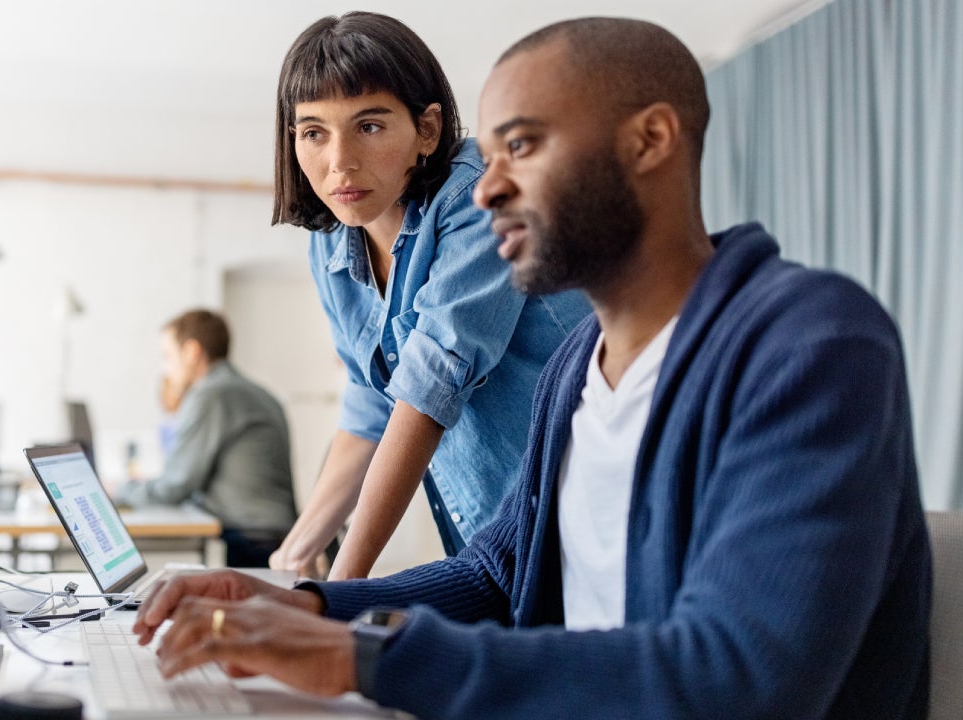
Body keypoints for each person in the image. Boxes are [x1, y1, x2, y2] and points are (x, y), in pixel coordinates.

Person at [132, 17, 931, 719]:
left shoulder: (810, 345)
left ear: (649, 141)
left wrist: (362, 657)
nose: (487, 190)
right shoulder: (577, 368)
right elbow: (493, 574)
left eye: (520, 145)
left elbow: (738, 679)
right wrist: (306, 604)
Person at [268, 12, 590, 579]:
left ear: (428, 130)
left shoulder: (480, 198)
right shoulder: (331, 241)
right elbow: (372, 406)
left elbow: (428, 387)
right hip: (493, 544)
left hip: (583, 521)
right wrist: (295, 555)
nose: (338, 161)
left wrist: (338, 590)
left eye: (369, 126)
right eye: (313, 132)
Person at [115, 309, 297, 568]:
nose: (165, 368)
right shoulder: (253, 391)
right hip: (272, 535)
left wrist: (120, 489)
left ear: (191, 352)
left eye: (167, 356)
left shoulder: (211, 394)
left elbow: (175, 486)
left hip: (251, 540)